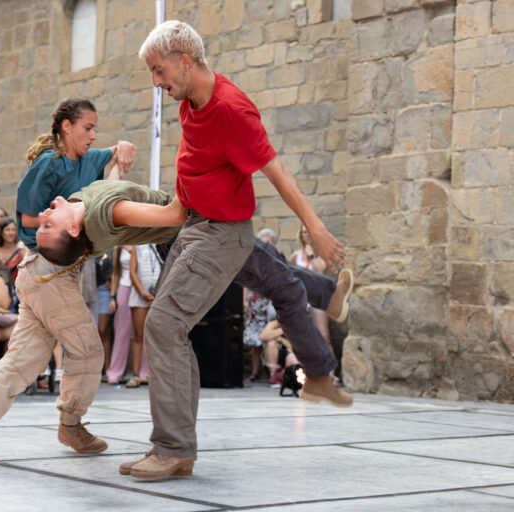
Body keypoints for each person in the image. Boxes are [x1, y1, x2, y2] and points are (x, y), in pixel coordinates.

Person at [129, 21, 351, 478]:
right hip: (195, 225)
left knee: (165, 324)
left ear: (185, 62)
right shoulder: (189, 101)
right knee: (184, 320)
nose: (155, 81)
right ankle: (175, 447)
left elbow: (279, 175)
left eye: (159, 70)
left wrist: (318, 230)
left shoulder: (233, 110)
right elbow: (194, 172)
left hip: (221, 233)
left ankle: (173, 448)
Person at [32, 171, 353, 479]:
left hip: (198, 232)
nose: (43, 214)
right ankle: (174, 447)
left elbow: (111, 188)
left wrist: (116, 160)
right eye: (47, 224)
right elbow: (172, 215)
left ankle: (329, 298)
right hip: (193, 235)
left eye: (41, 224)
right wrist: (199, 183)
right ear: (73, 228)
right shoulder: (104, 212)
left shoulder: (88, 205)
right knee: (259, 280)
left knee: (270, 266)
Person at [0, 97, 135, 461]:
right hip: (46, 271)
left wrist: (123, 148)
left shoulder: (88, 158)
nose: (93, 135)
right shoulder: (48, 165)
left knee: (27, 355)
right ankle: (72, 424)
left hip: (50, 275)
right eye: (87, 128)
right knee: (88, 349)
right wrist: (65, 219)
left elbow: (115, 152)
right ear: (66, 127)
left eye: (95, 128)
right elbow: (28, 220)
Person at [243, 228, 278, 381]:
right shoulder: (253, 260)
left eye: (268, 242)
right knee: (254, 341)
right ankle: (255, 372)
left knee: (269, 337)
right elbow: (245, 282)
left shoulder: (277, 260)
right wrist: (244, 300)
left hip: (269, 303)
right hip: (255, 302)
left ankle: (272, 371)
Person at [126, 243, 161, 387]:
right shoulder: (137, 245)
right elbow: (132, 272)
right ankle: (135, 375)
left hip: (158, 296)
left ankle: (153, 374)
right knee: (139, 336)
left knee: (156, 337)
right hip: (140, 295)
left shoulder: (162, 245)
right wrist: (143, 293)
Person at [291, 224, 331, 351]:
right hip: (302, 299)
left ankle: (331, 371)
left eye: (308, 232)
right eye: (304, 232)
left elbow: (320, 269)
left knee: (324, 336)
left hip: (317, 298)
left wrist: (311, 254)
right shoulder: (296, 255)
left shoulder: (320, 252)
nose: (306, 235)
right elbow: (287, 273)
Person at [105, 245, 134, 385]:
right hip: (124, 286)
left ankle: (143, 373)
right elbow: (116, 273)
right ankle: (115, 372)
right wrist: (112, 297)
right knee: (121, 332)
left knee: (144, 333)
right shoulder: (119, 246)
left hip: (143, 287)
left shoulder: (145, 242)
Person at [0, 217, 25, 287]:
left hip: (16, 288)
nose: (11, 233)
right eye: (7, 230)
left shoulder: (21, 250)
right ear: (1, 232)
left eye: (13, 230)